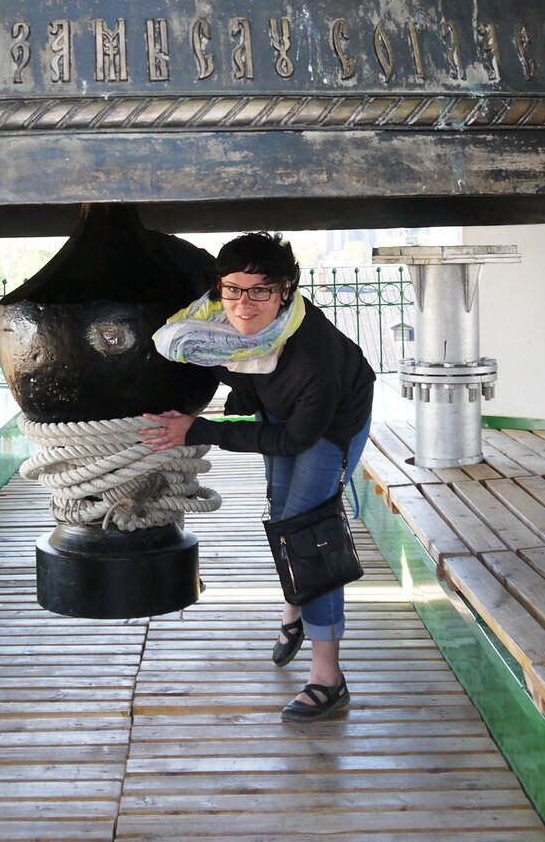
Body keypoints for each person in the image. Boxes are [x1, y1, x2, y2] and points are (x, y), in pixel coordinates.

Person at [139, 232, 375, 723]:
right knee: (280, 512)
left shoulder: (315, 361)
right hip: (279, 410)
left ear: (285, 291)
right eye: (233, 289)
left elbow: (294, 441)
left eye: (260, 291)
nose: (244, 305)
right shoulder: (211, 324)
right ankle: (296, 609)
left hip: (329, 424)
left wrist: (198, 431)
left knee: (309, 533)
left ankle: (328, 680)